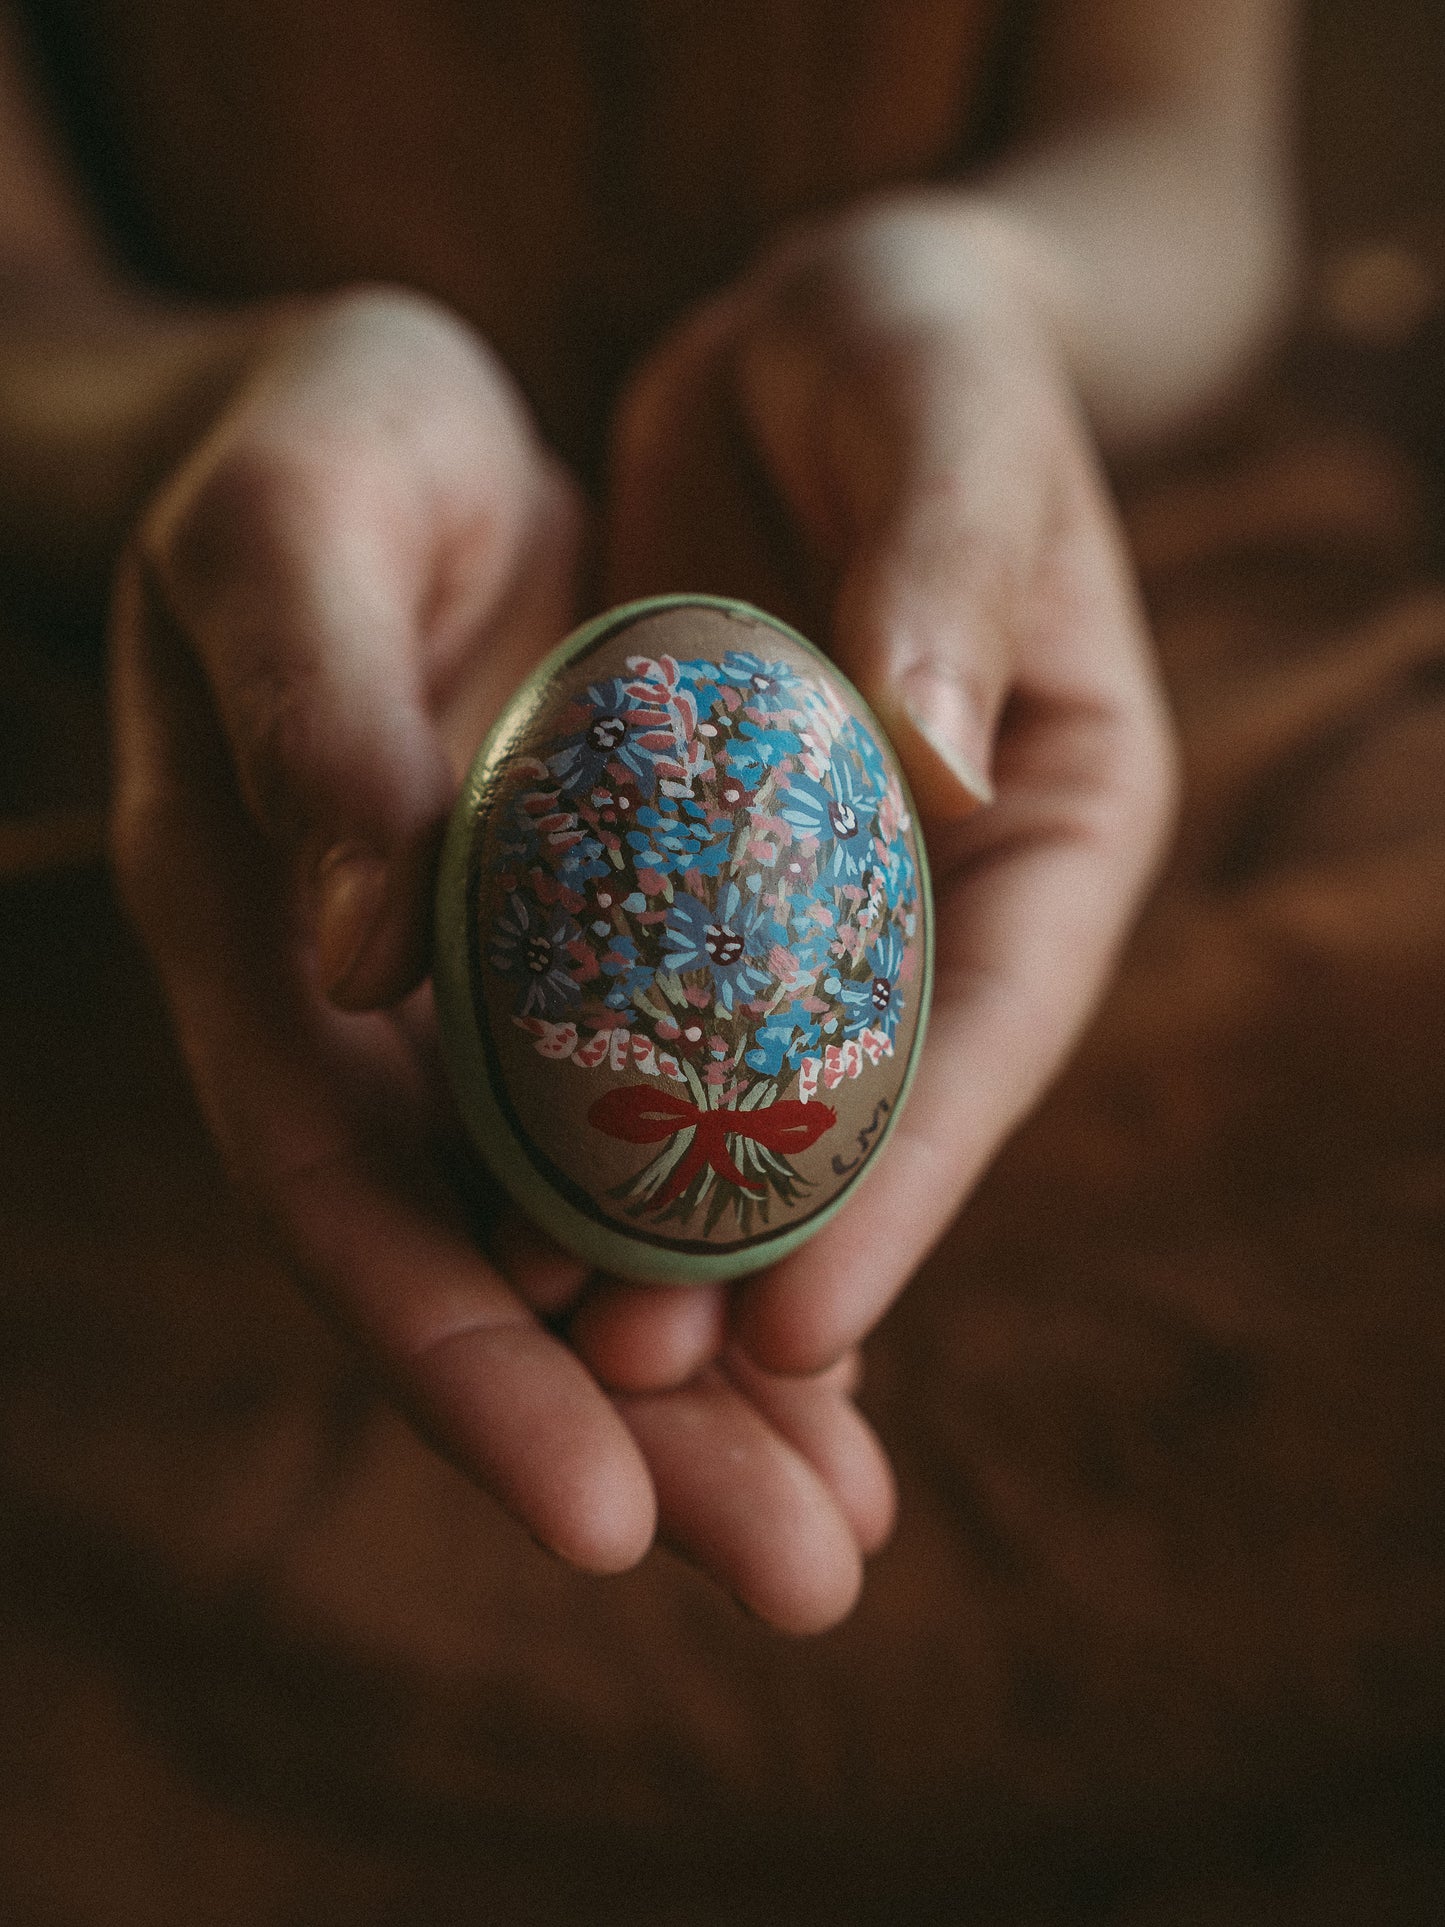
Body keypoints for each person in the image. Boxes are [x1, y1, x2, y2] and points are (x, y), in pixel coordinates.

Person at [0, 0, 1294, 1634]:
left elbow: (1185, 162)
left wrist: (990, 294)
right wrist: (198, 417)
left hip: (1053, 631)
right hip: (230, 700)